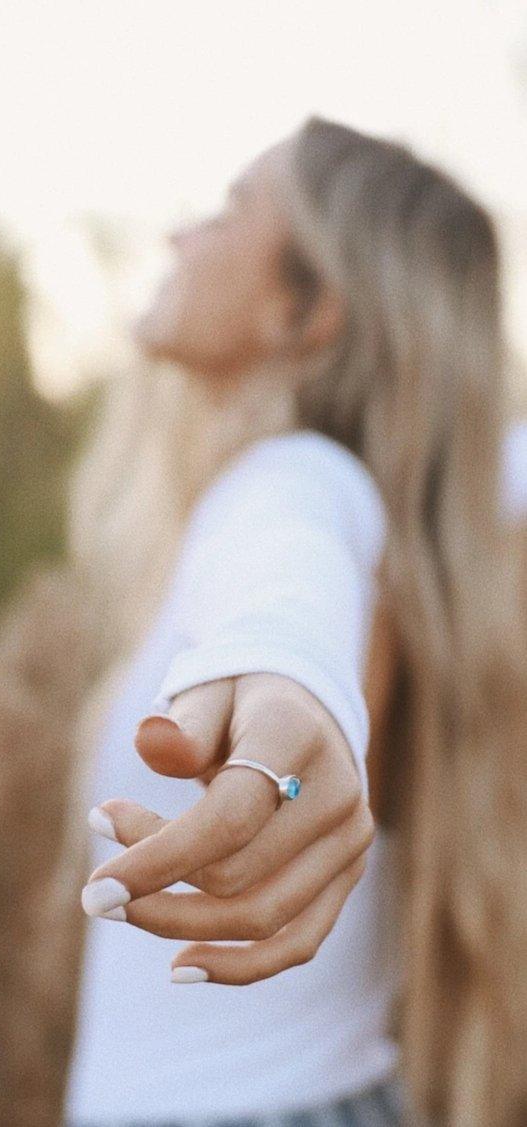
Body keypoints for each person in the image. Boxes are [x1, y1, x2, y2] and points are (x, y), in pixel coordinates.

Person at [65, 119, 527, 1126]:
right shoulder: (386, 520)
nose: (178, 235)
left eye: (229, 210)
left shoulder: (294, 480)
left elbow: (284, 575)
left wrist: (287, 672)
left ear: (305, 309)